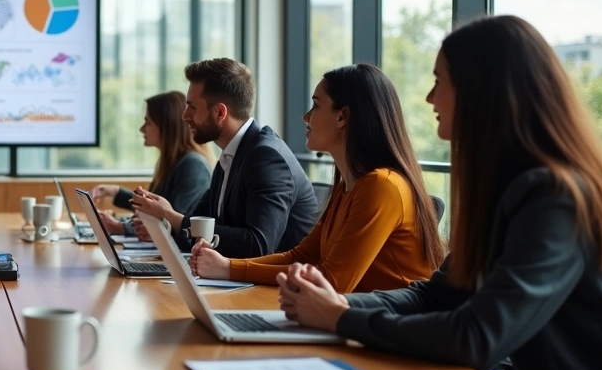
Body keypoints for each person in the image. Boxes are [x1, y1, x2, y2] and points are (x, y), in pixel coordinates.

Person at [278, 15, 602, 370]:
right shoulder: (505, 188)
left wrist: (339, 317)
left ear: (480, 90)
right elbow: (437, 295)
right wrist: (334, 305)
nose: (429, 98)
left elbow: (476, 337)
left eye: (439, 82)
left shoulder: (555, 197)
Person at [187, 64, 442, 292]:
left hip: (391, 325)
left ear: (342, 117)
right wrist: (226, 266)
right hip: (358, 316)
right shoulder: (348, 186)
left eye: (316, 105)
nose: (306, 117)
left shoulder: (381, 185)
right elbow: (301, 256)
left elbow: (332, 281)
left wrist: (227, 269)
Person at [130, 58, 319, 257]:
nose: (185, 116)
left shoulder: (266, 157)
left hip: (279, 276)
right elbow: (199, 227)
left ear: (220, 112)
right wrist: (163, 226)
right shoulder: (230, 156)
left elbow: (257, 245)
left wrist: (170, 216)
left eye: (192, 107)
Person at [90, 91, 215, 236]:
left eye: (148, 122)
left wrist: (121, 227)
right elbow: (153, 210)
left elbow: (170, 222)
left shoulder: (193, 166)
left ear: (167, 127)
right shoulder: (172, 162)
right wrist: (115, 192)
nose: (142, 129)